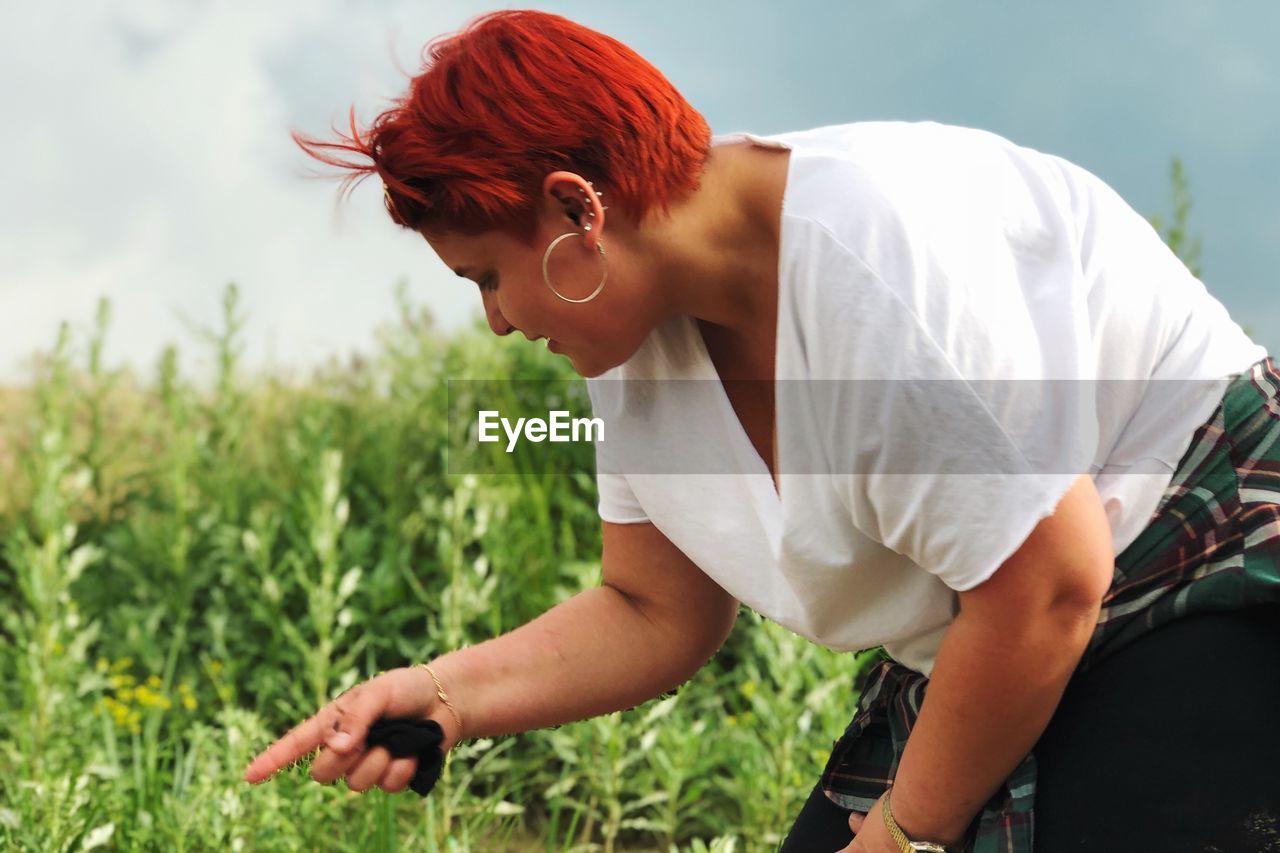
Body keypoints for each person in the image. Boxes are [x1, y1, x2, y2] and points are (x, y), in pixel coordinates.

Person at [243, 10, 1280, 852]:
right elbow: (653, 608)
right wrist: (441, 695)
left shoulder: (871, 261)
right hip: (990, 631)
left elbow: (1047, 583)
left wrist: (899, 841)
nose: (500, 321)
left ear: (573, 211)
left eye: (486, 276)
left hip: (1194, 553)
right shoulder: (630, 324)